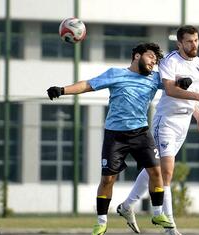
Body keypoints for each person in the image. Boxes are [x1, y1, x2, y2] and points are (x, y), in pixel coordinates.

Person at [47, 43, 175, 235]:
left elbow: (171, 84)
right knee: (108, 179)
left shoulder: (154, 78)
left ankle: (157, 213)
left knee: (157, 172)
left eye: (156, 61)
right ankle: (101, 222)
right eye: (150, 58)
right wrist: (62, 90)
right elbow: (88, 84)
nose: (153, 63)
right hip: (115, 135)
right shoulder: (115, 74)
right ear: (137, 56)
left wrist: (183, 82)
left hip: (141, 133)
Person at [117, 25, 199, 235]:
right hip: (167, 121)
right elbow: (170, 89)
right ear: (179, 43)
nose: (193, 44)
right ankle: (170, 228)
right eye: (189, 41)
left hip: (184, 122)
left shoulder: (198, 63)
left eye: (196, 40)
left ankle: (126, 206)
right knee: (167, 173)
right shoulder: (170, 61)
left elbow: (191, 96)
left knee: (156, 169)